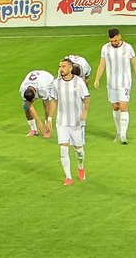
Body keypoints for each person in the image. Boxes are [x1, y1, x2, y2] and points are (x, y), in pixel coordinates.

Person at [93, 27, 136, 144]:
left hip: (124, 82)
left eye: (115, 40)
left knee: (123, 106)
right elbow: (102, 64)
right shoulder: (105, 48)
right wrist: (97, 79)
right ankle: (119, 132)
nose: (114, 43)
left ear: (119, 36)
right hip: (111, 83)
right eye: (111, 41)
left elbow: (135, 64)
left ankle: (123, 135)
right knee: (115, 106)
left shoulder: (128, 47)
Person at [47, 56, 89, 186]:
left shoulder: (79, 82)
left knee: (79, 150)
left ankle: (80, 167)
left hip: (76, 122)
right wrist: (49, 118)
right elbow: (54, 101)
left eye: (63, 66)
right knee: (63, 150)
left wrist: (85, 111)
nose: (61, 69)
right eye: (60, 67)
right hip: (62, 122)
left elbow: (86, 98)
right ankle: (68, 177)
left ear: (70, 68)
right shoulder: (56, 83)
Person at [19, 69, 57, 138]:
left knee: (47, 105)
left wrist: (47, 121)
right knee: (25, 107)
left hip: (49, 81)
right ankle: (34, 130)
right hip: (35, 80)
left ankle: (48, 128)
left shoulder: (42, 88)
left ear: (35, 95)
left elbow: (46, 105)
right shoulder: (22, 89)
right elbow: (29, 105)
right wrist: (39, 122)